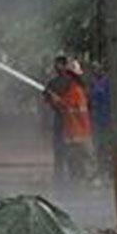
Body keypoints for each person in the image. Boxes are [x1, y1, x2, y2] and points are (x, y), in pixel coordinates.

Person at [43, 54, 71, 184]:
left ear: (65, 65)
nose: (56, 67)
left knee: (70, 148)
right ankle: (59, 175)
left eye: (59, 64)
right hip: (59, 119)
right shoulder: (53, 83)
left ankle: (71, 174)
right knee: (58, 147)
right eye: (56, 64)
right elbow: (47, 99)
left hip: (71, 120)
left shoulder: (71, 82)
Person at [90, 67, 112, 174]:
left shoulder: (104, 83)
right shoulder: (98, 83)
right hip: (100, 120)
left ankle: (104, 169)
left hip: (105, 120)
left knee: (104, 145)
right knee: (101, 146)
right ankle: (103, 168)